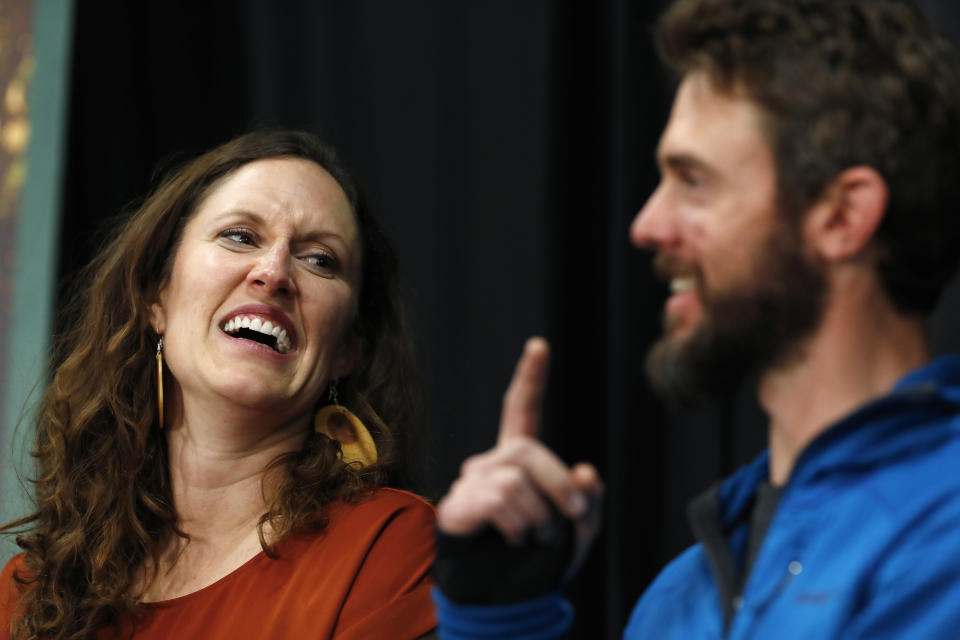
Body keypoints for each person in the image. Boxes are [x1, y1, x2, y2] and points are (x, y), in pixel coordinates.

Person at [433, 0, 960, 637]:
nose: (646, 225)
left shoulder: (943, 531)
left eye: (694, 181)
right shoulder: (680, 596)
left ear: (842, 217)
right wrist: (500, 616)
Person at [0, 131, 436, 639]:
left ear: (347, 350)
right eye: (240, 236)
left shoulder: (387, 546)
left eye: (320, 259)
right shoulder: (29, 591)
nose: (273, 273)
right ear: (155, 295)